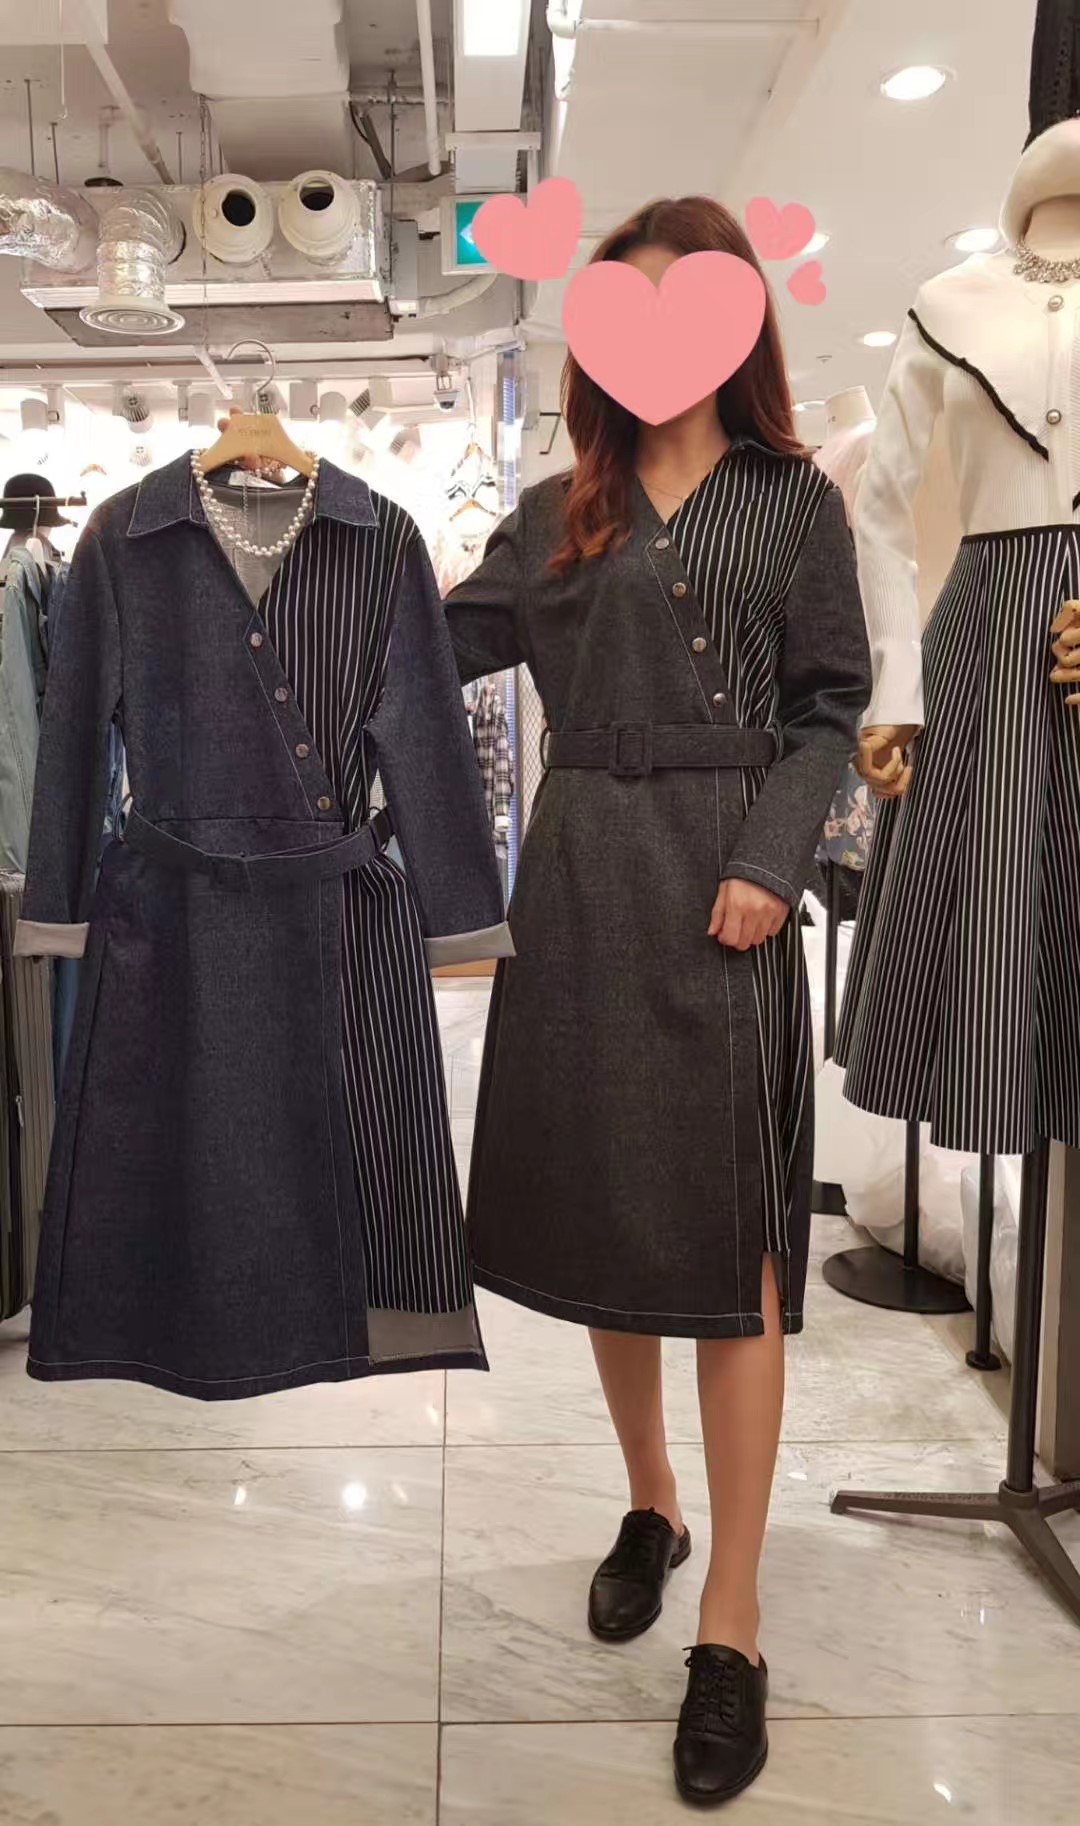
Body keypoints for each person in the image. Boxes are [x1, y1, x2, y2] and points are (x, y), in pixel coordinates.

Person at [444, 196, 870, 1807]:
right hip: (581, 889)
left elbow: (830, 704)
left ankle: (733, 1622)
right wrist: (301, 559)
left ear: (735, 321)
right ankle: (653, 1503)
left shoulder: (793, 501)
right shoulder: (559, 511)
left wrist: (772, 855)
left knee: (732, 1251)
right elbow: (424, 646)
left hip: (727, 896)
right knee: (616, 1229)